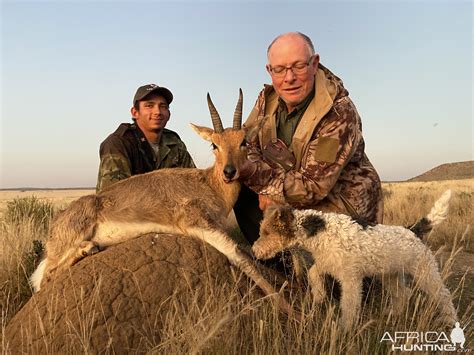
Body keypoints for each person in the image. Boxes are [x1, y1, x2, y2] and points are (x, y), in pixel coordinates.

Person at [235, 32, 383, 244]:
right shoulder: (266, 99)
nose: (289, 78)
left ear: (314, 64)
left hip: (341, 213)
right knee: (237, 186)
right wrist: (263, 184)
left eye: (299, 66)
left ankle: (325, 268)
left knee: (333, 271)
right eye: (280, 69)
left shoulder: (339, 113)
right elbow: (246, 144)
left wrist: (265, 185)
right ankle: (278, 265)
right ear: (269, 71)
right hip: (290, 194)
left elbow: (312, 188)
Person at [96, 84, 195, 193]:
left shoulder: (175, 143)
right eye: (149, 105)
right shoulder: (118, 143)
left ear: (169, 114)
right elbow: (112, 199)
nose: (157, 112)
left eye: (163, 106)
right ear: (135, 113)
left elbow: (194, 184)